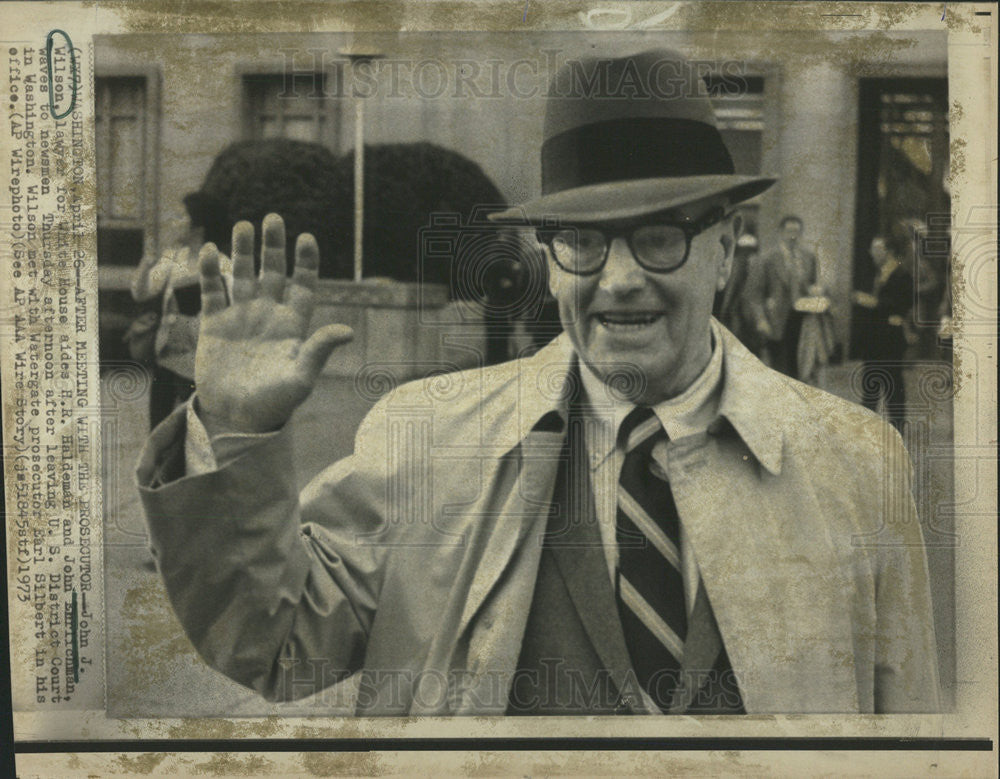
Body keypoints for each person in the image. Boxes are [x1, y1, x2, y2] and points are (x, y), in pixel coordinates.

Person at [137, 49, 939, 715]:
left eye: (659, 237)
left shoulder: (860, 465)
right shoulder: (428, 438)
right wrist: (238, 436)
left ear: (727, 250)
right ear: (550, 263)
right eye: (582, 243)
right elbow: (276, 645)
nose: (619, 279)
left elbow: (910, 742)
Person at [131, 192, 233, 429]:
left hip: (199, 360)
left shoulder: (221, 263)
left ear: (198, 226)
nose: (173, 222)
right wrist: (146, 264)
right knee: (158, 425)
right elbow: (143, 292)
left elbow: (232, 309)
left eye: (180, 216)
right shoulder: (173, 258)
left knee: (196, 427)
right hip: (166, 354)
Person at [852, 235, 915, 432]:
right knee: (870, 382)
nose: (871, 254)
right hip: (874, 336)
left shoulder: (901, 274)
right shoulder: (877, 273)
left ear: (887, 252)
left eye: (875, 250)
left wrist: (873, 303)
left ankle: (897, 426)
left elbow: (903, 304)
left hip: (890, 338)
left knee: (892, 383)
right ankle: (867, 426)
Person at [746, 214, 822, 377]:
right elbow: (754, 294)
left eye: (797, 232)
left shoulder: (808, 258)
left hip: (803, 319)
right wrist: (761, 320)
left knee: (801, 366)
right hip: (777, 318)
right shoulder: (767, 258)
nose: (793, 236)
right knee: (780, 367)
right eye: (789, 232)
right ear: (781, 233)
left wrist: (814, 290)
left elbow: (813, 285)